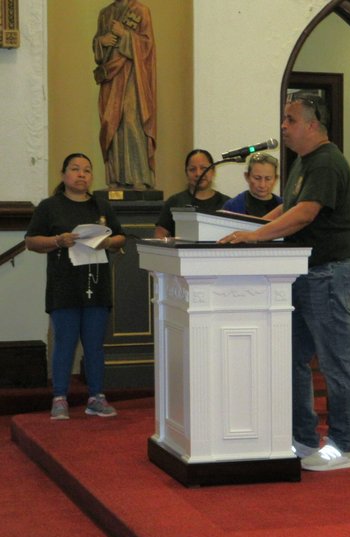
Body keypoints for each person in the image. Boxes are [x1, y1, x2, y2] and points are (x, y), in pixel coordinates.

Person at [219, 93, 350, 471]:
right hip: (305, 274)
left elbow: (304, 213)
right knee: (294, 359)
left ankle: (342, 447)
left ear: (313, 125)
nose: (283, 126)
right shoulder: (303, 163)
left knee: (335, 364)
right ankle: (302, 439)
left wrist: (253, 236)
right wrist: (247, 226)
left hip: (331, 274)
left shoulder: (328, 161)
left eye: (290, 120)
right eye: (284, 119)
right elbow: (287, 208)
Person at [24, 153, 127, 420]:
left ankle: (96, 397)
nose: (81, 174)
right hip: (64, 286)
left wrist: (107, 242)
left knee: (94, 345)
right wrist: (57, 241)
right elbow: (31, 242)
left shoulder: (101, 206)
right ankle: (59, 398)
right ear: (63, 175)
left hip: (96, 284)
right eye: (75, 169)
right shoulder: (50, 206)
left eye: (87, 170)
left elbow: (120, 237)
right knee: (65, 343)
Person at [93, 0, 157, 189]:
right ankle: (115, 177)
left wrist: (125, 35)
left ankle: (139, 176)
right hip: (111, 80)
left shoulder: (141, 11)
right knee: (112, 124)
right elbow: (98, 49)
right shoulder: (105, 13)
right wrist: (101, 42)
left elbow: (147, 46)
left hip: (133, 78)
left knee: (131, 122)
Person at [154, 149, 230, 239]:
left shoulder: (227, 203)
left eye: (204, 168)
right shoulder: (174, 202)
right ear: (186, 173)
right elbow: (159, 235)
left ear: (213, 171)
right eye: (192, 169)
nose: (198, 173)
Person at [221, 152, 282, 218]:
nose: (262, 185)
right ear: (247, 176)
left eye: (268, 179)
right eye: (257, 178)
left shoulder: (285, 206)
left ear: (276, 179)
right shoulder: (233, 206)